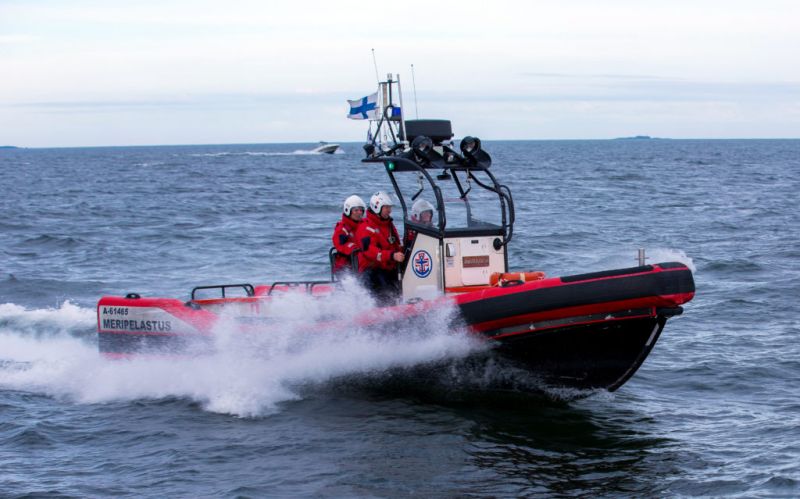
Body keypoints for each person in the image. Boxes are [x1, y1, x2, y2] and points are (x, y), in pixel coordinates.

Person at [356, 191, 405, 303]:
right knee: (385, 291)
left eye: (390, 207)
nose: (389, 210)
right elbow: (369, 250)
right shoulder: (366, 227)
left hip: (388, 267)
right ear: (377, 207)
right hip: (372, 270)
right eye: (386, 207)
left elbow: (395, 244)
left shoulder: (388, 225)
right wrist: (392, 255)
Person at [331, 195, 366, 275]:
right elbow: (340, 245)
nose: (359, 213)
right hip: (346, 264)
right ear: (348, 211)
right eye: (356, 210)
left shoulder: (365, 226)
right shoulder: (342, 228)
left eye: (361, 210)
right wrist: (354, 247)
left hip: (361, 263)